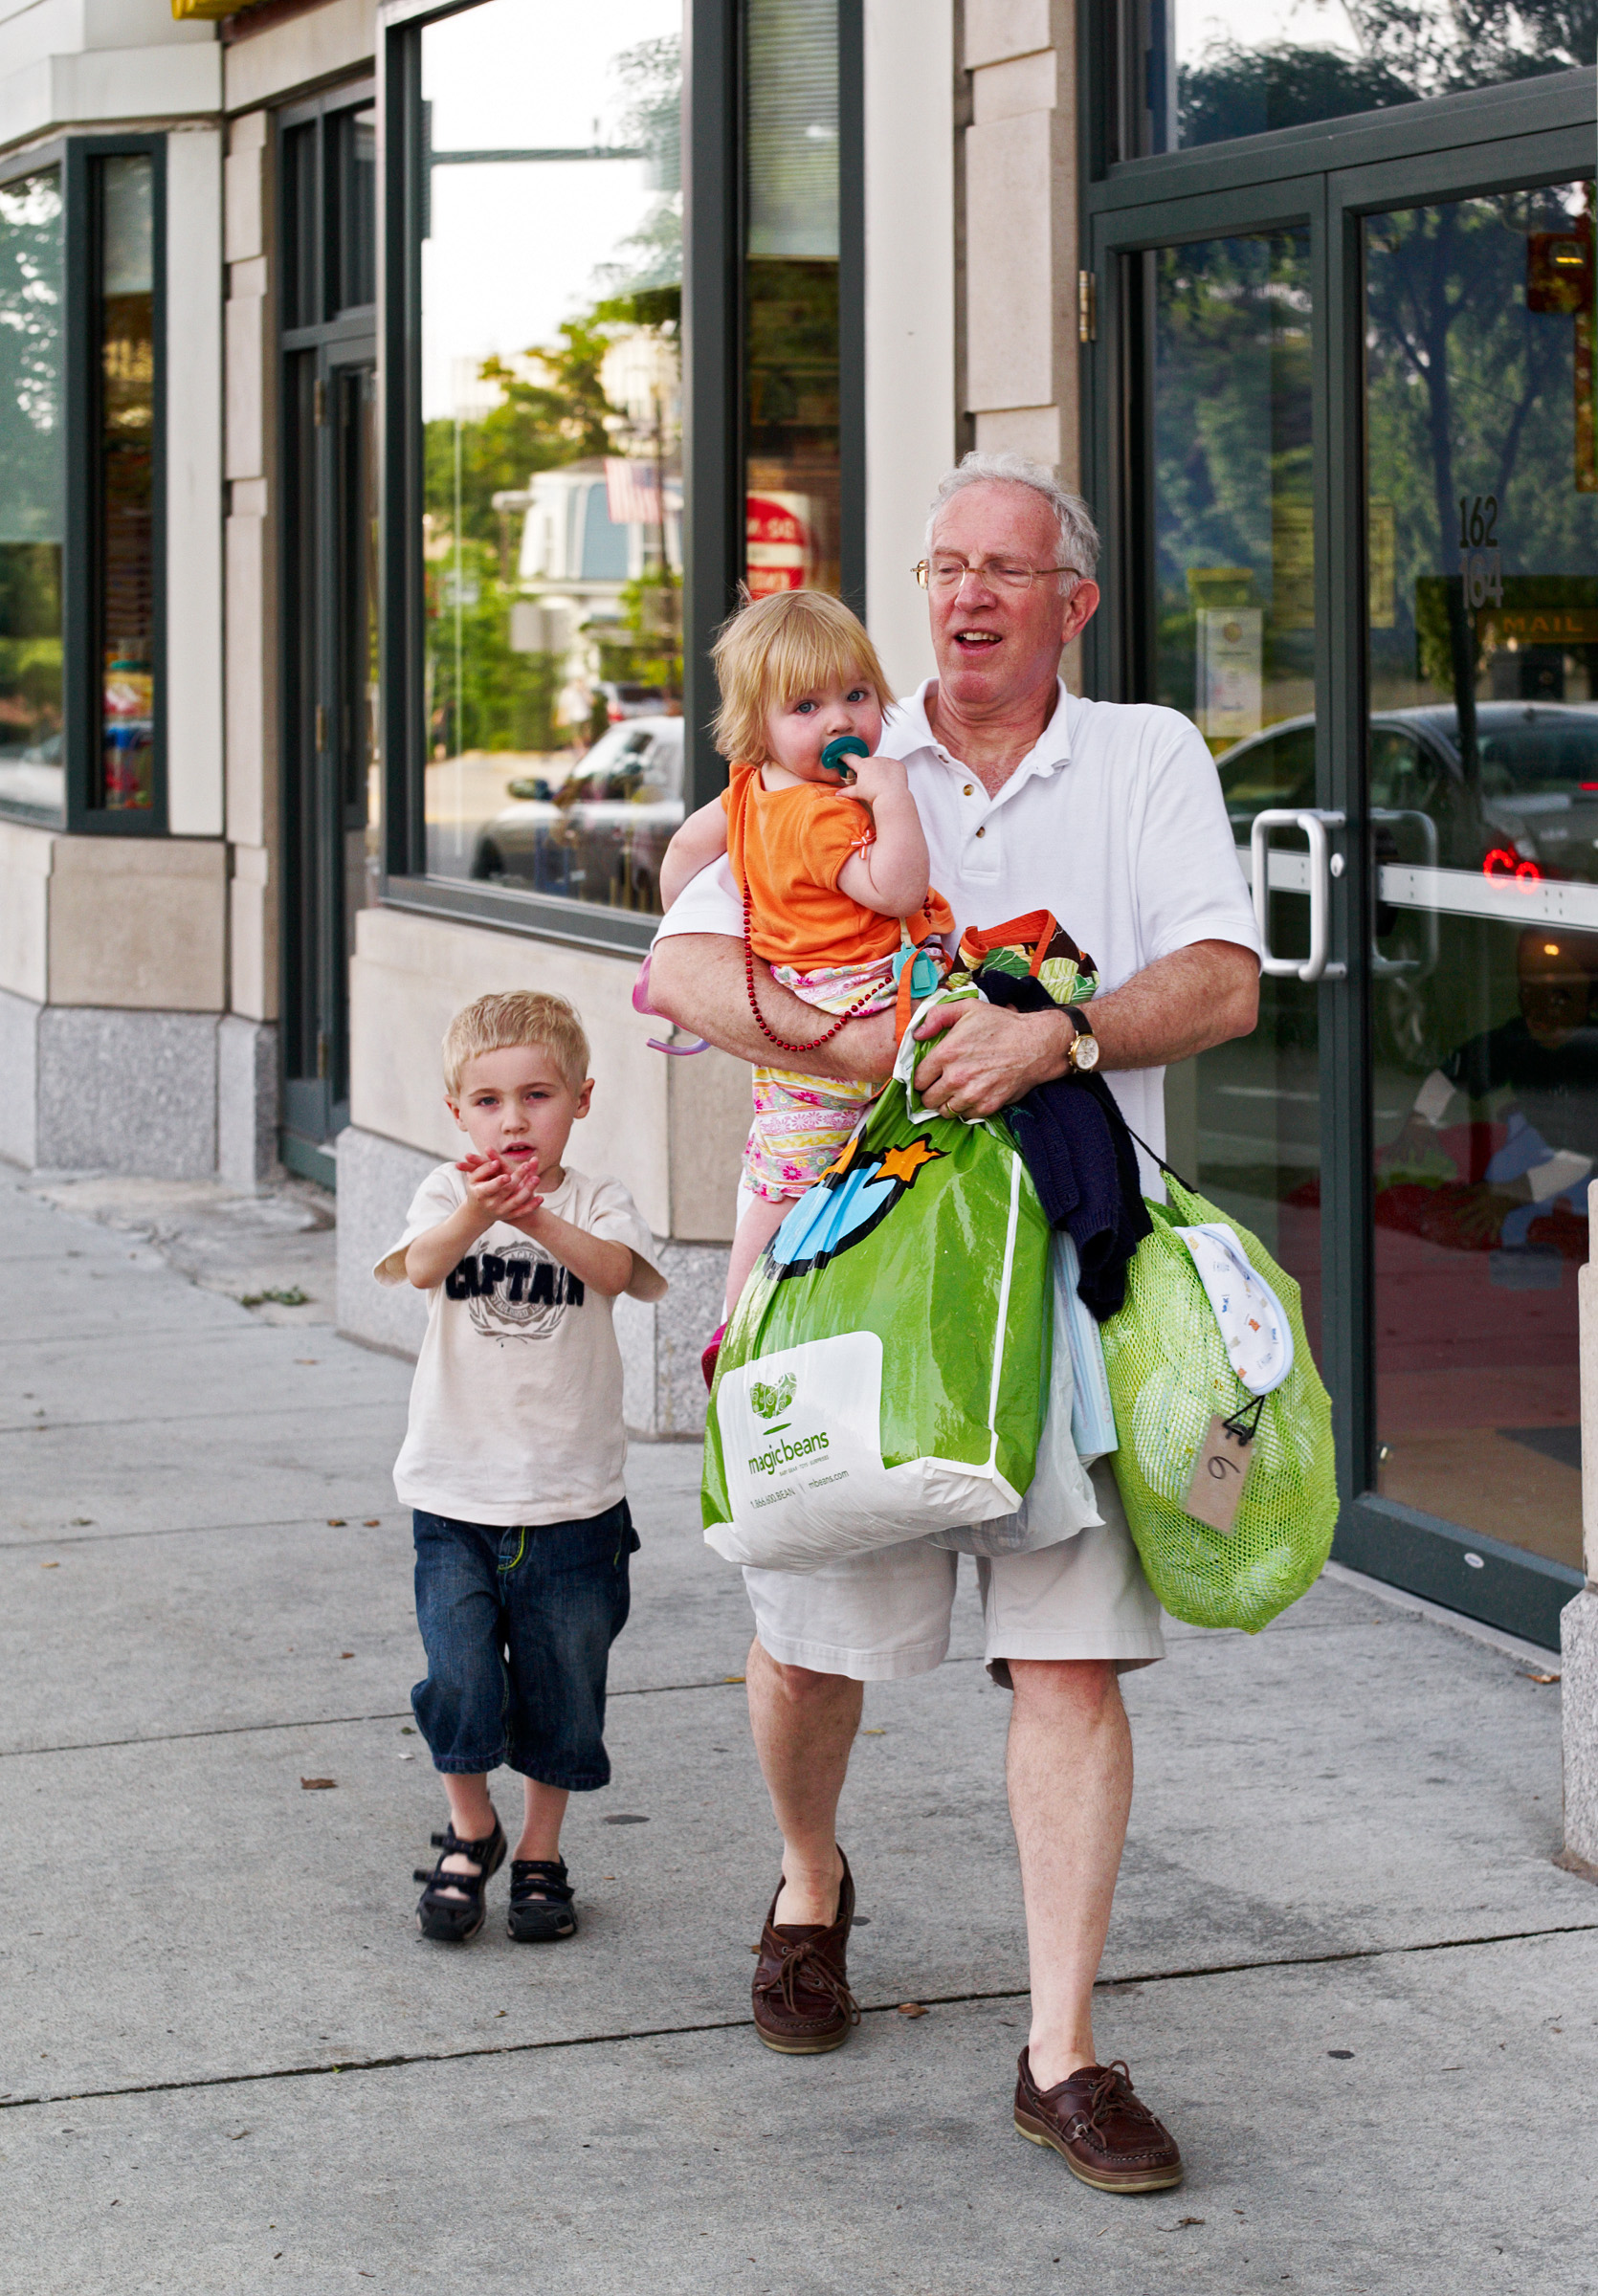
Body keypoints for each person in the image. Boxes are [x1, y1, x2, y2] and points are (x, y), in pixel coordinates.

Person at [648, 450, 1262, 2193]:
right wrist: (883, 1051)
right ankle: (810, 1876)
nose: (972, 596)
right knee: (812, 1630)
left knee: (1069, 1656)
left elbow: (1223, 977)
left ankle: (1060, 2050)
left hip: (1071, 1275)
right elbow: (684, 962)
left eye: (1009, 568)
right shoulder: (832, 733)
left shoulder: (1147, 755)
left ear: (1073, 598)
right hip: (855, 1285)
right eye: (946, 567)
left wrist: (1052, 1038)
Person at [374, 989, 667, 1946]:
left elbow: (615, 1273)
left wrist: (536, 1218)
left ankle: (540, 1850)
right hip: (453, 1496)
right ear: (458, 1112)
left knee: (561, 1688)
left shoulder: (594, 1200)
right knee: (457, 1679)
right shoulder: (443, 1193)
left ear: (579, 1101)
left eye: (535, 1097)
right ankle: (472, 1828)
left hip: (573, 1503)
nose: (512, 1120)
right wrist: (476, 1210)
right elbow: (421, 1267)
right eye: (489, 1101)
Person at [657, 588, 952, 1348]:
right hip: (857, 1004)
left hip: (795, 1000)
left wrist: (688, 910)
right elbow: (897, 889)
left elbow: (686, 855)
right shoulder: (830, 814)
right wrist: (894, 802)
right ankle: (746, 1324)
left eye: (856, 695)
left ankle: (742, 1321)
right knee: (814, 1178)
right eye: (806, 707)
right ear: (758, 724)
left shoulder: (747, 794)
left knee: (778, 1171)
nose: (839, 722)